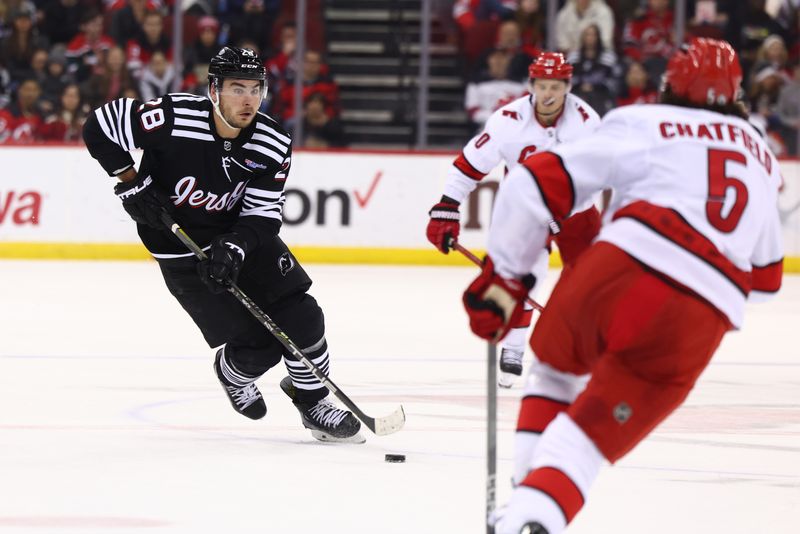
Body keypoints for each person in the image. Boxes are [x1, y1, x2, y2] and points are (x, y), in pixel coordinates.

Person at [461, 38, 784, 533]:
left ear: (668, 86)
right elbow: (765, 282)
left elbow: (534, 182)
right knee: (582, 445)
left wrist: (507, 274)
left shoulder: (646, 121)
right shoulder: (761, 154)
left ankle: (520, 495)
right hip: (700, 305)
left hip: (616, 263)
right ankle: (529, 515)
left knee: (552, 374)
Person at [82, 46, 365, 444]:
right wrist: (130, 180)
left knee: (303, 316)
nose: (248, 99)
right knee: (260, 343)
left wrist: (235, 246)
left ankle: (313, 402)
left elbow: (264, 214)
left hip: (240, 238)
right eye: (236, 88)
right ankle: (232, 371)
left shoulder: (272, 140)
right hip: (179, 246)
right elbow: (98, 126)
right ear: (213, 89)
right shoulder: (172, 117)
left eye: (255, 89)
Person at [426, 52, 602, 388]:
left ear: (568, 87)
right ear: (531, 85)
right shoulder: (507, 120)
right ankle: (514, 348)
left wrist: (560, 212)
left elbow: (599, 178)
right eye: (542, 85)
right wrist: (448, 206)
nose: (548, 94)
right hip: (524, 211)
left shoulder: (587, 123)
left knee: (592, 281)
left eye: (556, 87)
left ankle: (591, 348)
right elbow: (468, 166)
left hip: (576, 211)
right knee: (520, 276)